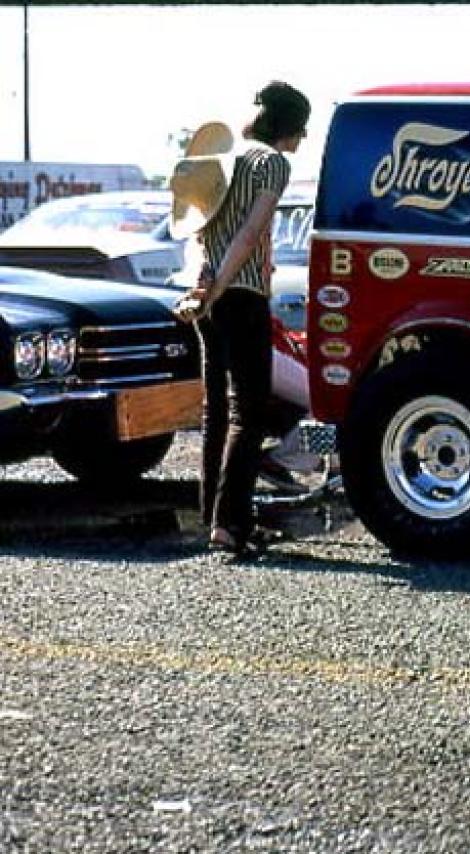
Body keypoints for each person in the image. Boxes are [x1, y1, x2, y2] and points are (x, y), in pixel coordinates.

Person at [172, 81, 311, 553]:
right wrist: (224, 286)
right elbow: (250, 234)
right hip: (241, 295)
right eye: (302, 128)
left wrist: (205, 288)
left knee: (216, 411)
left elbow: (198, 231)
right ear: (289, 126)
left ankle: (211, 518)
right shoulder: (273, 163)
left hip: (208, 295)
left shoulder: (224, 157)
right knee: (249, 413)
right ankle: (231, 525)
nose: (303, 138)